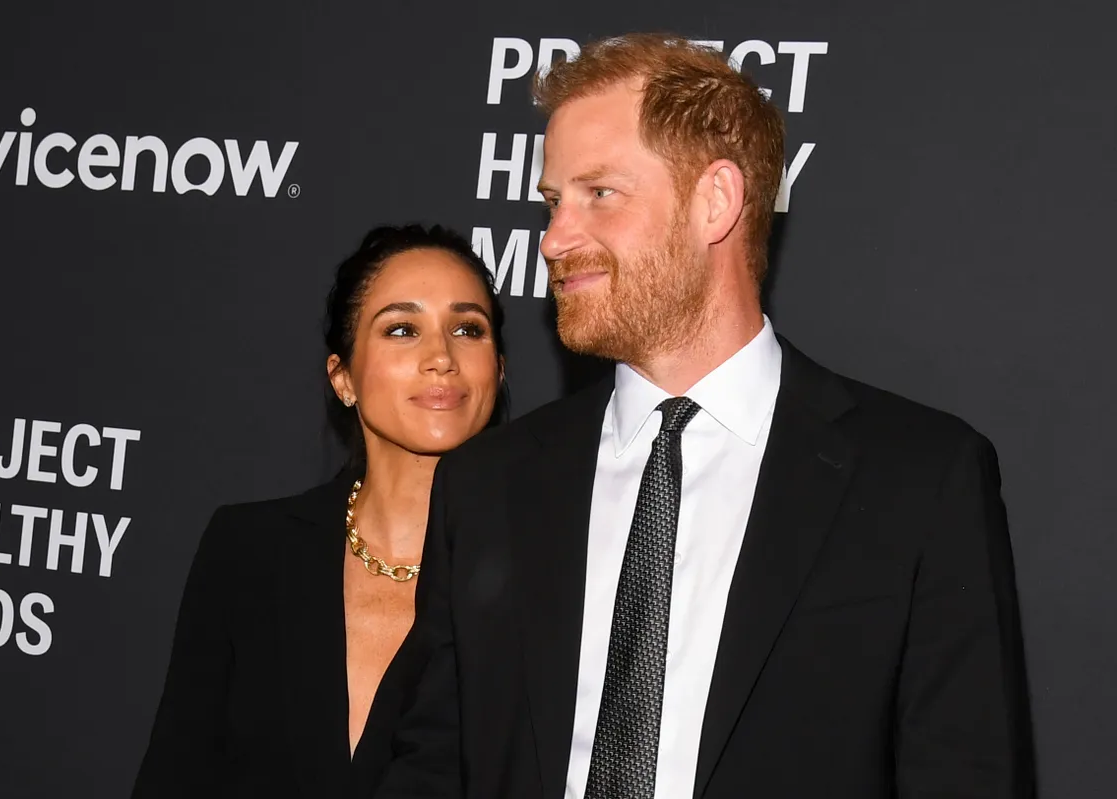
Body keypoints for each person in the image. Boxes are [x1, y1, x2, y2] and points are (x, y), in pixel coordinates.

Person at [375, 34, 1034, 799]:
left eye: (599, 194)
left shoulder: (920, 481)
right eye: (554, 203)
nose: (555, 238)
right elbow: (431, 765)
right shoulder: (488, 483)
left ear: (715, 201)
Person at [131, 224, 506, 798]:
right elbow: (175, 772)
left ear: (498, 372)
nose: (441, 357)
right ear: (343, 378)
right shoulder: (249, 548)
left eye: (467, 329)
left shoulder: (540, 579)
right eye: (402, 329)